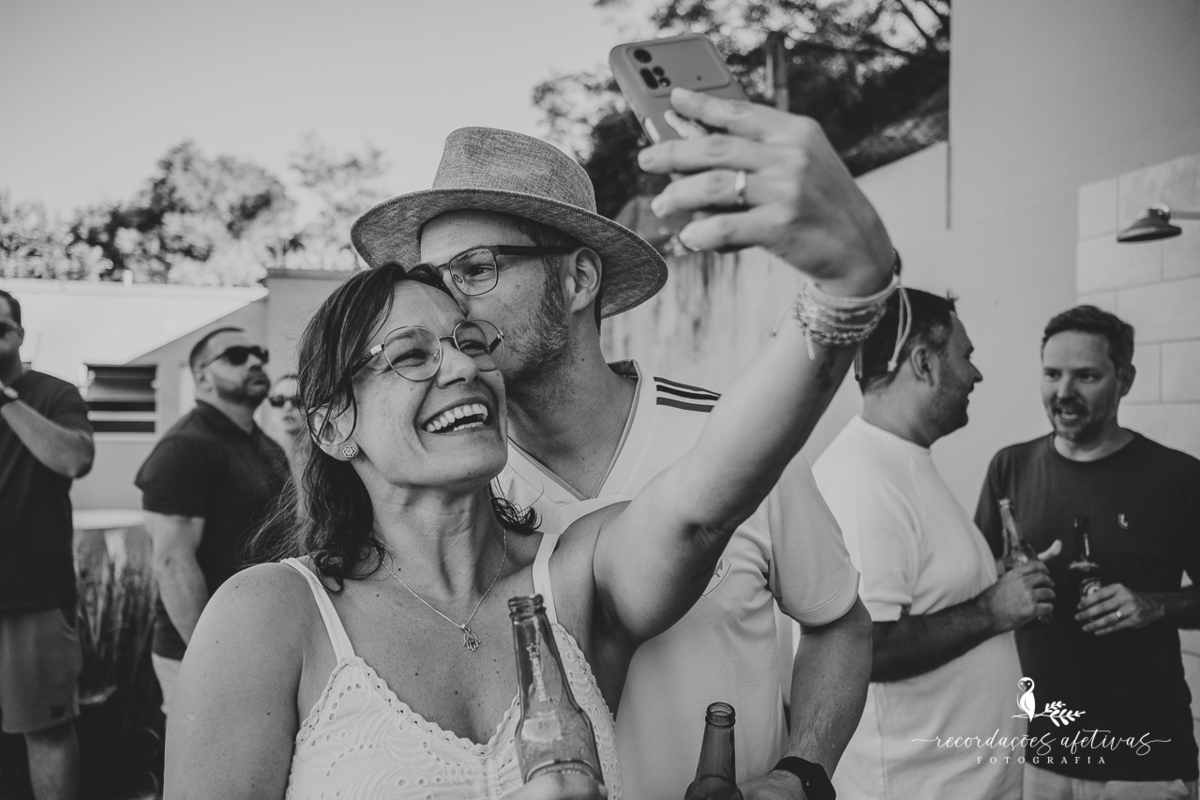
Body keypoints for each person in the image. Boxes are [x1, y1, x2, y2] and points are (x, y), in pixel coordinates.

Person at [165, 89, 897, 800]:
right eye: (413, 353)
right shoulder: (269, 615)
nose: (461, 353)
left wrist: (846, 288)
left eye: (473, 281)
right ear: (332, 425)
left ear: (578, 279)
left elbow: (705, 511)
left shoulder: (571, 570)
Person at [813, 289, 1055, 800]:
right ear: (924, 363)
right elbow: (865, 648)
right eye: (965, 355)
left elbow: (922, 588)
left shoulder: (902, 461)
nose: (975, 374)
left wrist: (998, 579)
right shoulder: (864, 478)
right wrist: (994, 609)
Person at [976, 305, 1200, 800]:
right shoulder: (1009, 468)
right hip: (1035, 755)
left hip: (1146, 761)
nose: (1064, 392)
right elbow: (976, 588)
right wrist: (1006, 582)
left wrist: (1155, 604)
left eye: (1086, 376)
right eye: (1052, 374)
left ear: (1126, 380)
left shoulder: (1180, 478)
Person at [135, 327, 289, 713]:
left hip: (262, 641)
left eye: (259, 353)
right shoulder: (185, 447)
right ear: (202, 377)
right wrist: (214, 659)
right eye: (236, 355)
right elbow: (172, 564)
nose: (254, 361)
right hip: (203, 651)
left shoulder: (265, 445)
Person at [0, 288, 94, 800]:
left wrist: (3, 398)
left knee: (47, 731)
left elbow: (74, 459)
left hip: (30, 595)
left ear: (18, 335)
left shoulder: (54, 394)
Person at [262, 373, 306, 486]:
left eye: (298, 401)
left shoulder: (324, 458)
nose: (288, 407)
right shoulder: (259, 455)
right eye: (279, 401)